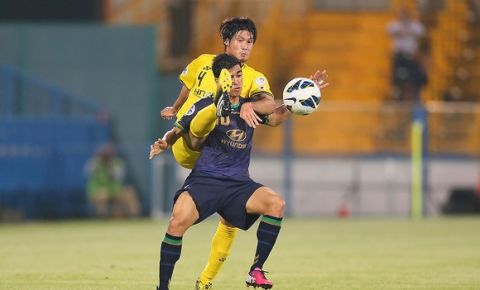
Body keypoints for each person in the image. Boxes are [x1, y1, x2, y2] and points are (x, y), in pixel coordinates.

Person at [152, 53, 294, 290]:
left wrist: (297, 101)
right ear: (219, 79)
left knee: (276, 204)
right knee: (176, 223)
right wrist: (165, 142)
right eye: (231, 76)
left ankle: (255, 271)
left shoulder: (250, 107)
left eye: (239, 75)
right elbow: (178, 128)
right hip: (206, 180)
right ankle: (163, 287)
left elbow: (276, 116)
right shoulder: (204, 104)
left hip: (238, 184)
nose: (237, 81)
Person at [84, 143, 140, 218]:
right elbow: (87, 172)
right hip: (98, 190)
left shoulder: (117, 163)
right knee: (102, 194)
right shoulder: (95, 163)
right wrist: (97, 161)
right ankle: (102, 216)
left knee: (129, 193)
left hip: (115, 190)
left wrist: (110, 167)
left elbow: (119, 176)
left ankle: (135, 216)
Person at [387, 8, 426, 102]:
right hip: (399, 55)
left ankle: (414, 95)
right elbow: (390, 29)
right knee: (398, 78)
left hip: (411, 56)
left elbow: (421, 31)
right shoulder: (395, 25)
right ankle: (397, 93)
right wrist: (403, 30)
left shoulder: (414, 25)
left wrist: (408, 29)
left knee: (413, 78)